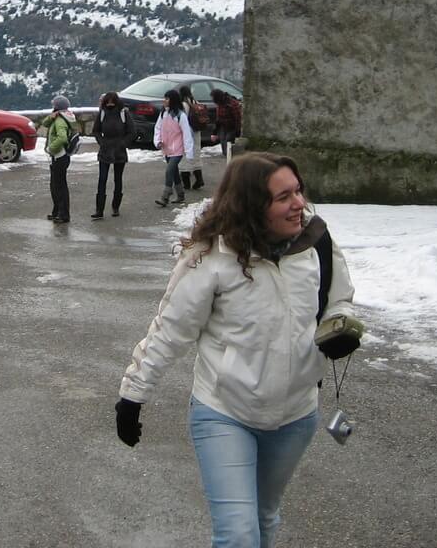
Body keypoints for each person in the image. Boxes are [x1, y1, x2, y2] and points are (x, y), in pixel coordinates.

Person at [115, 152, 361, 548]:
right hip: (224, 412)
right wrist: (132, 396)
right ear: (252, 204)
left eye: (298, 191)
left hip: (296, 414)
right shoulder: (211, 257)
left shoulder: (317, 243)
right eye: (283, 197)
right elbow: (170, 330)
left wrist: (340, 326)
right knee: (238, 534)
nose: (298, 204)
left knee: (264, 518)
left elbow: (339, 299)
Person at [91, 91, 136, 219]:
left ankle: (115, 207)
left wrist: (123, 143)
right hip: (105, 150)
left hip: (119, 151)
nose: (110, 104)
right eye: (108, 102)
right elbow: (96, 130)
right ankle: (99, 210)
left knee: (118, 179)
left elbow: (132, 132)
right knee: (102, 179)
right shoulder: (102, 113)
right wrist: (102, 142)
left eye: (112, 102)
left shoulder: (123, 113)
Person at [41, 95, 78, 223]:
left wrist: (51, 148)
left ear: (57, 107)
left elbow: (62, 138)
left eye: (54, 105)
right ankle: (57, 212)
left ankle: (63, 215)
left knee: (60, 186)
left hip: (59, 156)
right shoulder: (61, 117)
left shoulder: (60, 120)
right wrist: (51, 117)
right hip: (60, 157)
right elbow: (45, 123)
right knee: (55, 185)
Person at [152, 89, 193, 207]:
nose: (164, 101)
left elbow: (187, 134)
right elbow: (157, 128)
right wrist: (158, 142)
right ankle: (181, 195)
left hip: (177, 149)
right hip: (166, 148)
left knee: (169, 170)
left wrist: (189, 152)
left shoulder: (180, 115)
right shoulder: (163, 114)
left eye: (167, 98)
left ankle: (165, 195)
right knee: (174, 172)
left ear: (173, 100)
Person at [178, 84, 206, 191]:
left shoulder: (183, 105)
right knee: (196, 156)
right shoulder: (195, 102)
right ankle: (199, 179)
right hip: (196, 132)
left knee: (184, 158)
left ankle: (186, 184)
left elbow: (180, 120)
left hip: (186, 133)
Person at [212, 89, 242, 160]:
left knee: (228, 142)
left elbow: (237, 118)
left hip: (231, 126)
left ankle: (230, 158)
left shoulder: (231, 104)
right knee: (223, 141)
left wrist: (238, 130)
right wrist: (214, 132)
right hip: (223, 126)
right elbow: (218, 119)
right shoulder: (219, 104)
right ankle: (227, 156)